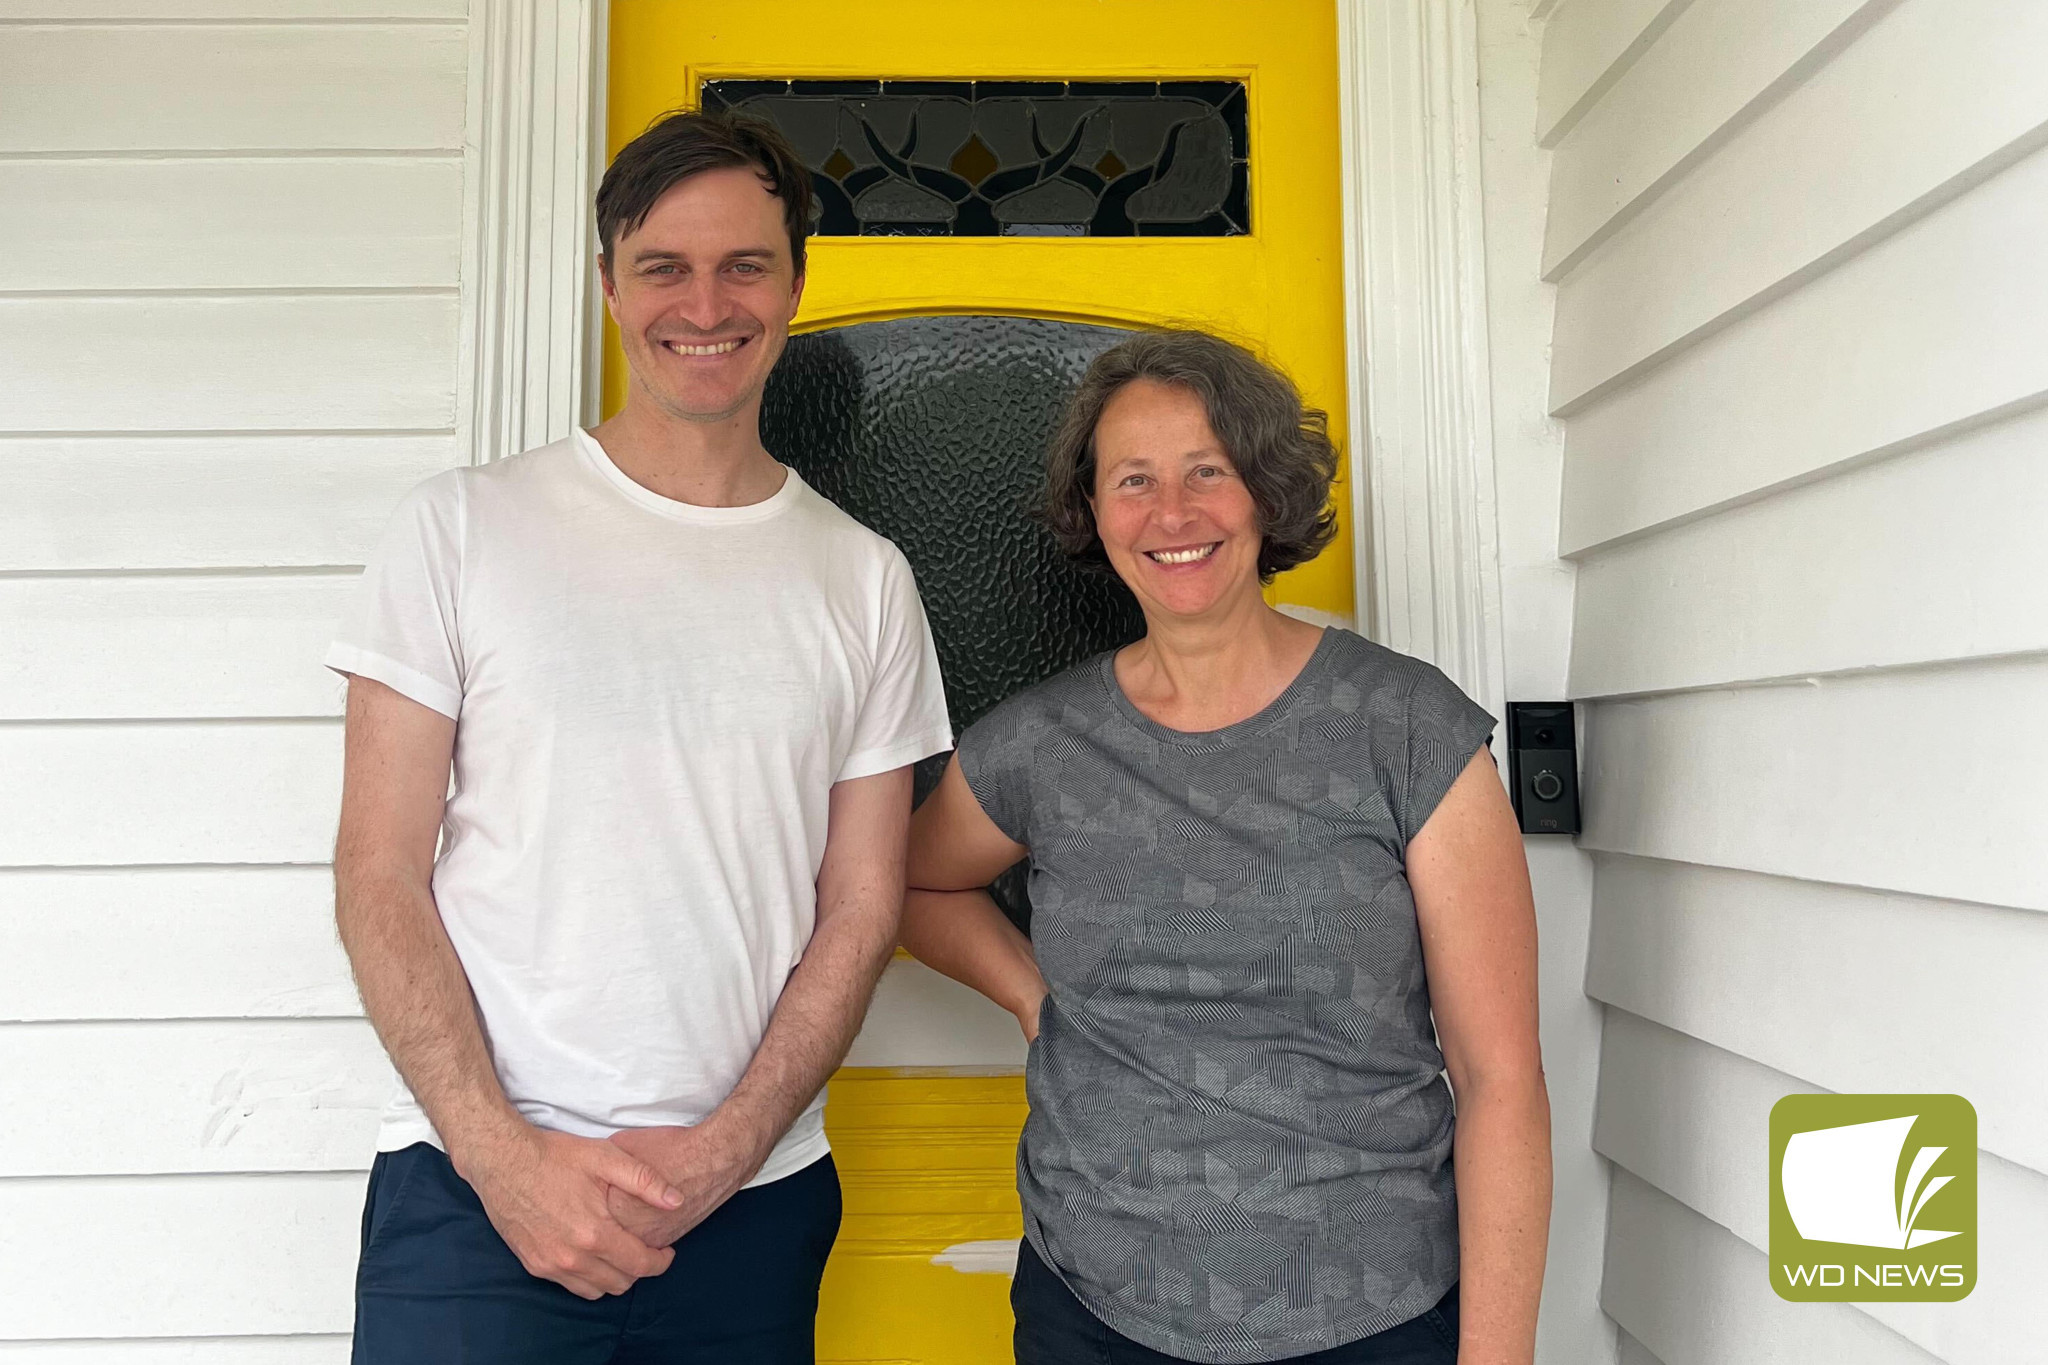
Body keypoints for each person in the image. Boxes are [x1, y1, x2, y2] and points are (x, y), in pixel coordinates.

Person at [327, 111, 952, 1364]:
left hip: (754, 1202)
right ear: (608, 283)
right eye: (662, 265)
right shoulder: (463, 528)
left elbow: (861, 903)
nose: (704, 303)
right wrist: (501, 1158)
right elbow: (376, 869)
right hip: (475, 1201)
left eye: (744, 265)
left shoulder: (863, 578)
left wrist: (730, 1148)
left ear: (793, 284)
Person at [900, 330, 1550, 1365]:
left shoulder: (1405, 727)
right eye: (1134, 480)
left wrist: (1497, 1355)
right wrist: (1030, 993)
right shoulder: (1037, 745)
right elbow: (912, 881)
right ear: (1095, 511)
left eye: (1208, 470)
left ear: (1263, 489)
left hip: (1370, 1313)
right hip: (1093, 1307)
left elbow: (1499, 1077)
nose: (1172, 513)